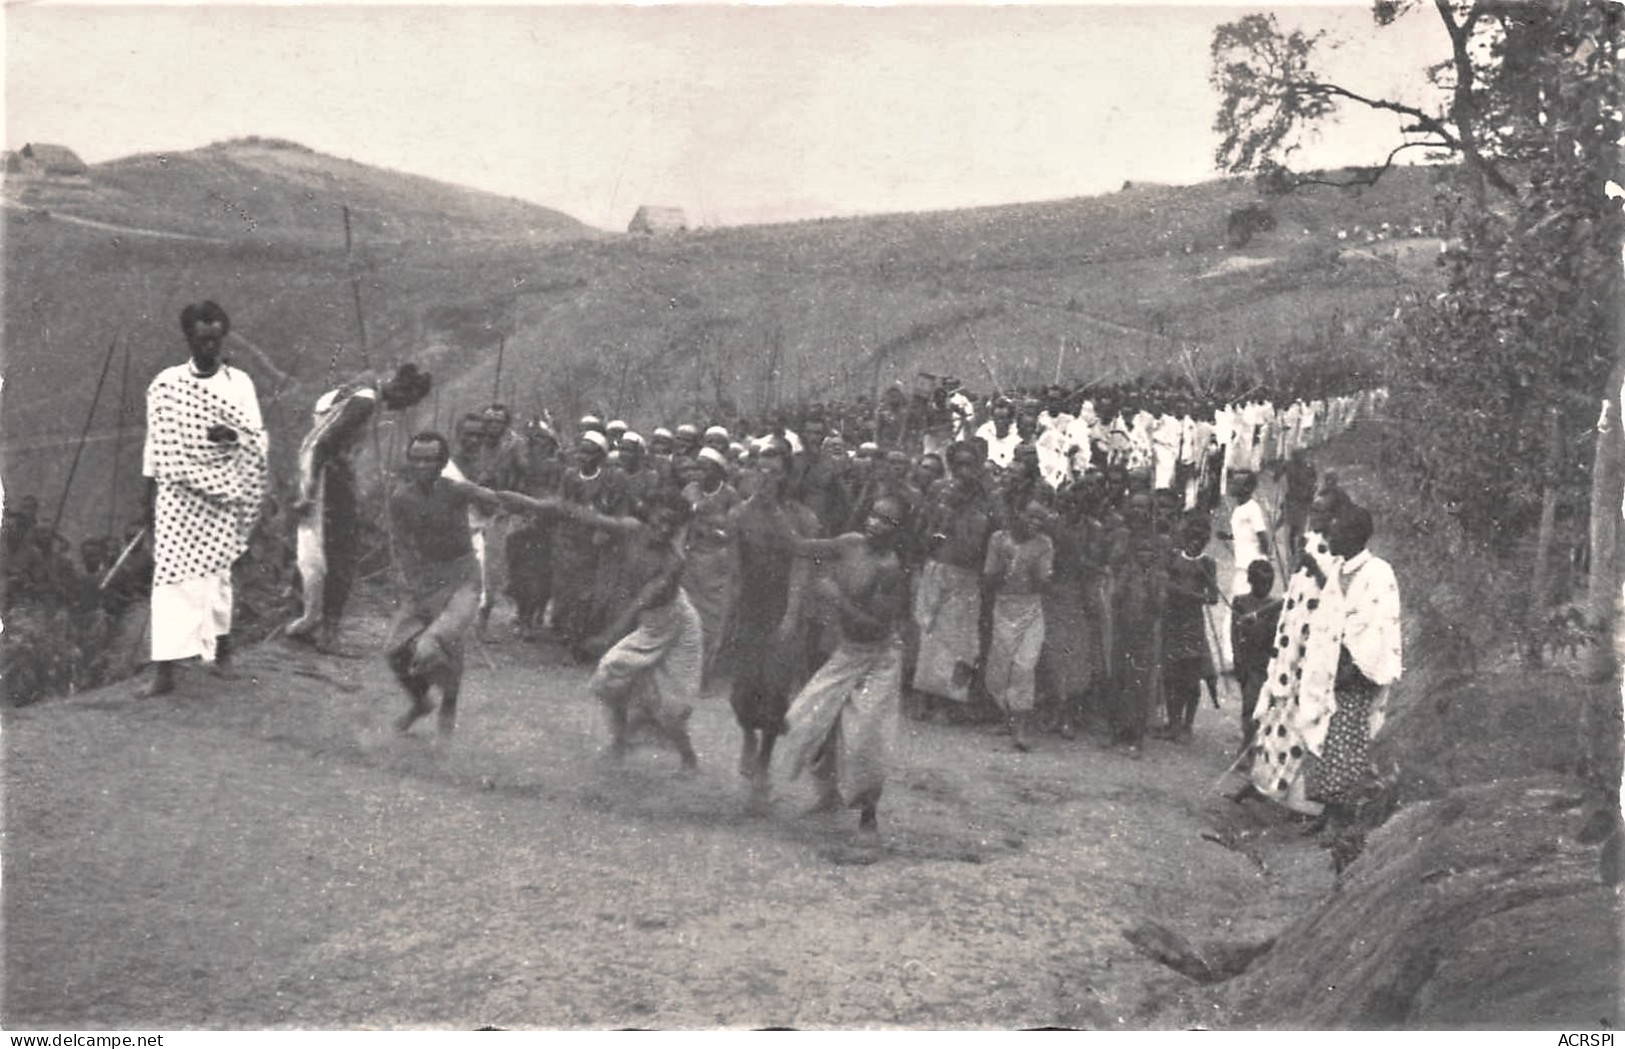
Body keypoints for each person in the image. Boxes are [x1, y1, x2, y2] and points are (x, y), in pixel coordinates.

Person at [500, 488, 703, 769]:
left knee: (671, 705)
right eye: (661, 519)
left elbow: (641, 600)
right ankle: (619, 742)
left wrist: (608, 635)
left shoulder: (673, 560)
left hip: (674, 624)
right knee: (612, 674)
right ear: (651, 513)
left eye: (672, 524)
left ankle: (688, 759)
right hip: (648, 622)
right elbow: (585, 516)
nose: (664, 528)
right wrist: (529, 502)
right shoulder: (633, 529)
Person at [137, 301, 267, 696]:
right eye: (201, 338)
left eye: (216, 338)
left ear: (223, 337)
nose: (210, 345)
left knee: (219, 577)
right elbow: (155, 449)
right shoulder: (166, 385)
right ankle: (164, 672)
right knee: (169, 580)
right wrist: (149, 509)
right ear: (188, 338)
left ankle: (222, 653)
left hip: (224, 494)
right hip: (177, 497)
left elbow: (254, 439)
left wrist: (228, 438)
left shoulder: (238, 384)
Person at [778, 494, 911, 837]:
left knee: (863, 736)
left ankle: (868, 815)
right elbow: (802, 547)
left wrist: (835, 597)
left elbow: (878, 627)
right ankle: (829, 796)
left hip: (879, 657)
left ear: (898, 531)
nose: (874, 523)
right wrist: (775, 512)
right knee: (808, 721)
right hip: (847, 651)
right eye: (873, 515)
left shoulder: (890, 569)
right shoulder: (850, 543)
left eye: (885, 520)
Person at [285, 364, 432, 651]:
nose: (401, 409)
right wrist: (310, 490)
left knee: (323, 552)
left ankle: (309, 620)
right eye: (407, 402)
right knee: (342, 554)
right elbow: (323, 443)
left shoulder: (358, 391)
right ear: (404, 389)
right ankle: (328, 633)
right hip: (330, 481)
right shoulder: (365, 401)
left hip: (328, 476)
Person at [384, 432, 505, 739]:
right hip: (424, 580)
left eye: (430, 459)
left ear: (442, 463)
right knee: (394, 653)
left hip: (463, 579)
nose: (422, 465)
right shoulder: (401, 498)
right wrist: (410, 581)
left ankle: (446, 728)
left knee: (435, 645)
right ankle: (421, 703)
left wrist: (554, 507)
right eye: (417, 458)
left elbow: (499, 500)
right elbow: (400, 545)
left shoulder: (456, 489)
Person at [727, 437, 823, 795]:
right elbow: (735, 571)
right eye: (761, 470)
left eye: (774, 472)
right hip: (752, 606)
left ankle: (764, 759)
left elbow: (802, 568)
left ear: (787, 476)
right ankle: (747, 737)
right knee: (742, 690)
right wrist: (732, 617)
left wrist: (790, 616)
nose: (766, 478)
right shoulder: (739, 514)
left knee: (774, 690)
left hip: (784, 606)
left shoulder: (803, 518)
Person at [982, 500, 1054, 751]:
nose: (1035, 523)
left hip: (1030, 608)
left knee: (1025, 665)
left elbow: (1043, 583)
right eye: (1031, 517)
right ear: (1019, 513)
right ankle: (1006, 718)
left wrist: (1038, 573)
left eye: (1040, 520)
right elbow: (989, 577)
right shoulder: (999, 539)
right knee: (1000, 665)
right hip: (1003, 606)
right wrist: (1006, 564)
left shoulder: (1044, 544)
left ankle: (1021, 727)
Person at [1158, 514, 1220, 742]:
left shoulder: (1207, 563)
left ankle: (1187, 725)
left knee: (1191, 677)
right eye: (1191, 536)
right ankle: (1173, 722)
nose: (1195, 541)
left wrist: (1193, 595)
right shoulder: (1174, 557)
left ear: (1206, 539)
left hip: (1192, 623)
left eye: (1200, 538)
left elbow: (1213, 597)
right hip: (1172, 621)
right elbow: (1164, 582)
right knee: (1171, 674)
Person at [1229, 558, 1280, 753]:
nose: (1265, 587)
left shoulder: (1274, 605)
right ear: (1251, 581)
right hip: (1245, 660)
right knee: (1247, 702)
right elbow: (1234, 632)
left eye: (1269, 583)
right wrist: (1237, 658)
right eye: (1260, 582)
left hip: (1264, 662)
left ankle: (1250, 747)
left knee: (1256, 704)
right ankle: (1248, 742)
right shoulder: (1240, 602)